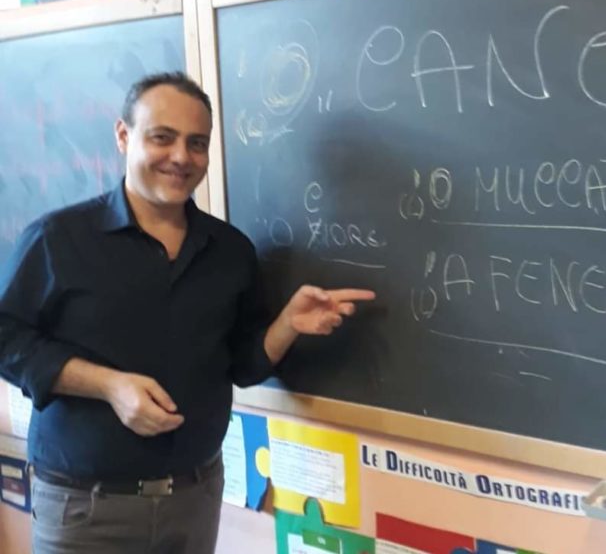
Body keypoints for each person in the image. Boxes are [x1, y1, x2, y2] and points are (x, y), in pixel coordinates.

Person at [0, 71, 375, 554]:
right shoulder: (59, 239)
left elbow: (242, 366)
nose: (181, 157)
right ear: (123, 135)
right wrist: (108, 385)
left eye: (197, 143)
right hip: (86, 508)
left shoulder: (230, 252)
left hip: (195, 499)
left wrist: (286, 326)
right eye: (163, 137)